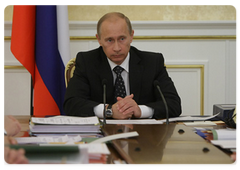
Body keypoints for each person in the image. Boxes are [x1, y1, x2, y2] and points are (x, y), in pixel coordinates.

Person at [64, 12, 181, 120]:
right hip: (101, 134)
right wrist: (108, 110)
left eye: (122, 39)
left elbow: (173, 104)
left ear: (131, 36)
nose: (117, 48)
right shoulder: (87, 62)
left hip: (144, 136)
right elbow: (71, 104)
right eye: (109, 40)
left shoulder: (152, 62)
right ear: (99, 40)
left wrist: (140, 110)